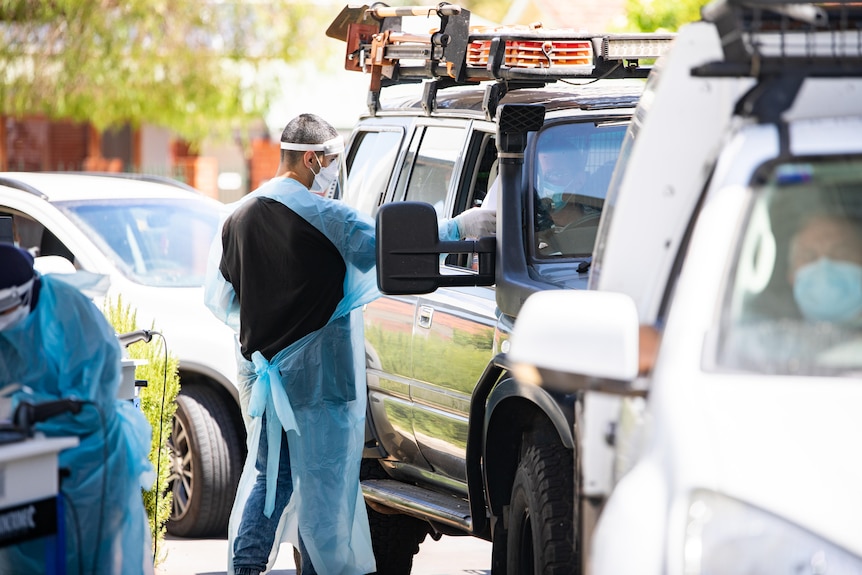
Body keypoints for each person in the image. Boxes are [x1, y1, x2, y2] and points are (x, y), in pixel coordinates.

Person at [204, 113, 495, 575]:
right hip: (321, 387)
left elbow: (222, 299)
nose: (334, 171)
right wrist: (461, 227)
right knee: (326, 494)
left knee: (269, 482)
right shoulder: (325, 217)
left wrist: (273, 332)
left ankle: (245, 568)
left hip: (270, 378)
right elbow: (388, 246)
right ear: (311, 158)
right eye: (332, 160)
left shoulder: (237, 216)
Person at [0, 243, 154, 575]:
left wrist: (36, 410)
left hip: (90, 458)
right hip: (24, 452)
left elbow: (91, 401)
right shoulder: (9, 325)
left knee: (84, 558)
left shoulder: (68, 311)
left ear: (26, 293)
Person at [788, 213, 862, 324]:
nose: (824, 265)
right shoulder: (765, 333)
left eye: (841, 254)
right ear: (791, 276)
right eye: (809, 257)